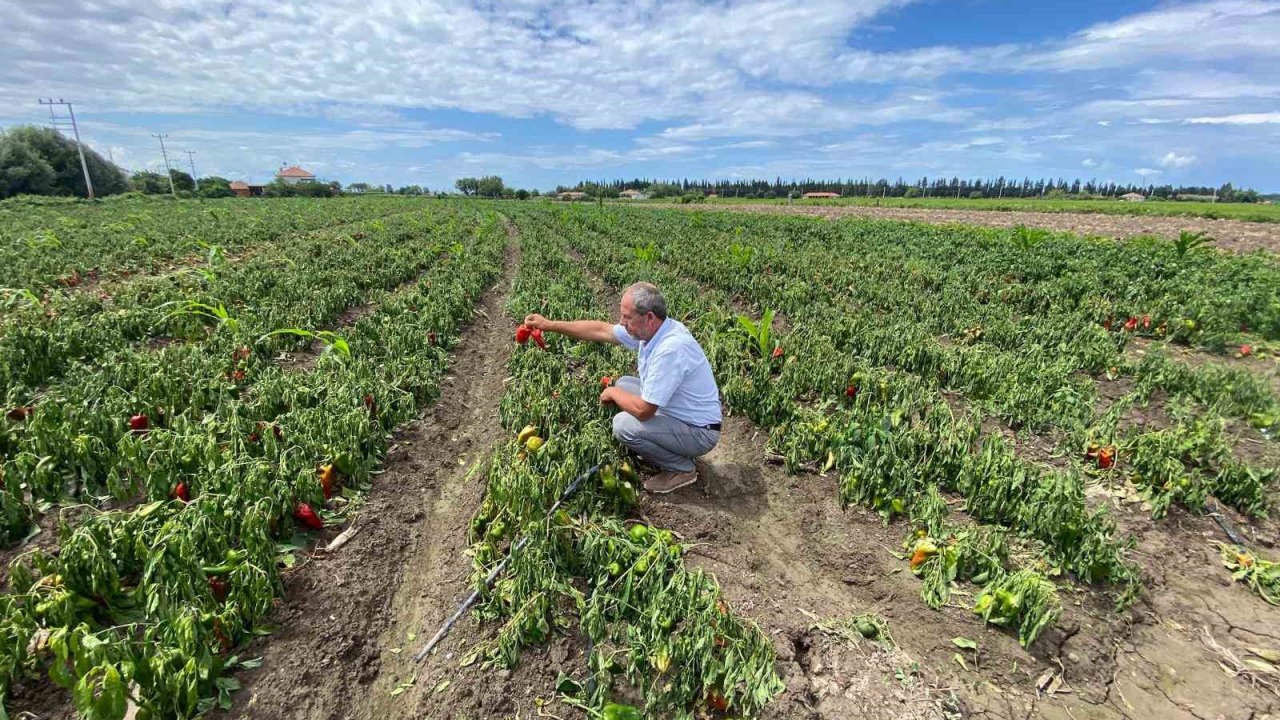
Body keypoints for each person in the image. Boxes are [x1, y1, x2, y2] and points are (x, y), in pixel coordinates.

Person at [523, 282, 721, 493]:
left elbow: (644, 411)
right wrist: (549, 324)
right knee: (625, 383)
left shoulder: (670, 349)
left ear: (650, 317)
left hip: (699, 432)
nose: (621, 322)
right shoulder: (655, 330)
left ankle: (682, 469)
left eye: (627, 317)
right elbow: (601, 330)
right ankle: (666, 445)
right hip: (678, 413)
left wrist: (613, 393)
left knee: (623, 425)